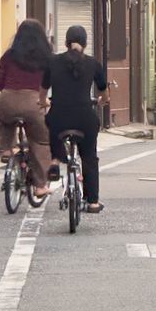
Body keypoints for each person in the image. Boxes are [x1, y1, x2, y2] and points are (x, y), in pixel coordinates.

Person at [40, 25, 110, 213]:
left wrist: (43, 102)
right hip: (84, 118)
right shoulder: (93, 64)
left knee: (51, 123)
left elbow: (43, 89)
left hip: (59, 116)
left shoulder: (52, 62)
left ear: (66, 42)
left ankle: (55, 160)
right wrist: (103, 101)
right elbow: (104, 91)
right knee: (89, 157)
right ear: (86, 44)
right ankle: (93, 202)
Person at [0, 19, 53, 197]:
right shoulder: (47, 57)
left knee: (5, 121)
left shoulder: (10, 55)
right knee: (42, 141)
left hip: (7, 99)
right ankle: (40, 185)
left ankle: (5, 149)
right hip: (34, 103)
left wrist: (10, 90)